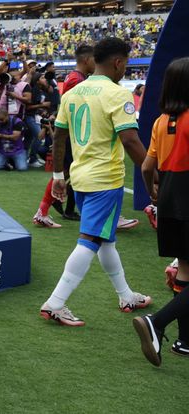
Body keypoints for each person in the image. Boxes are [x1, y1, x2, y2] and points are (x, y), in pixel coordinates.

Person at [39, 38, 151, 327]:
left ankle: (126, 295)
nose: (125, 69)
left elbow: (59, 136)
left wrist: (58, 177)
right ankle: (56, 302)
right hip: (105, 178)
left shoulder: (73, 93)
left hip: (81, 176)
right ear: (118, 62)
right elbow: (130, 139)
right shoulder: (117, 94)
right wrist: (153, 171)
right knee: (89, 240)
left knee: (105, 241)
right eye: (125, 63)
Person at [134, 57, 189, 366]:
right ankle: (157, 322)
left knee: (184, 270)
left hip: (167, 196)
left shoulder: (159, 121)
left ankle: (185, 341)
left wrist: (153, 190)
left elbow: (146, 166)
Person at [34, 45, 95, 228]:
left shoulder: (75, 78)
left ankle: (47, 210)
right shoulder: (77, 80)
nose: (97, 63)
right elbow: (76, 108)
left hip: (71, 133)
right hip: (72, 133)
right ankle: (43, 211)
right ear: (86, 60)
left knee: (68, 172)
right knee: (65, 172)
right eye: (94, 59)